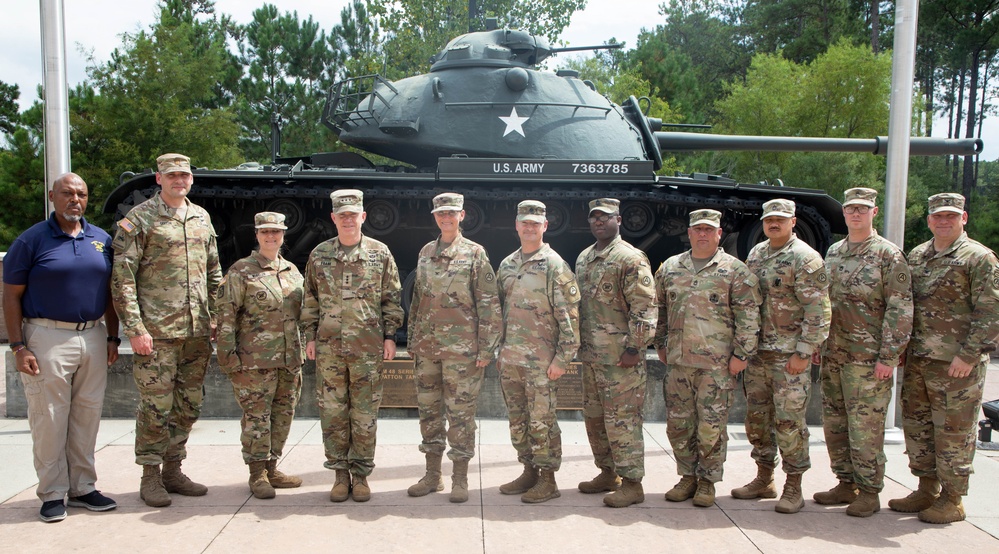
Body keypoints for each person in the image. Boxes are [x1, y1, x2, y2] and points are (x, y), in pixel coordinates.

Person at [3, 173, 120, 522]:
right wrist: (18, 346)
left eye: (81, 194)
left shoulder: (101, 239)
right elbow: (10, 295)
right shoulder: (31, 241)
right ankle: (52, 493)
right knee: (49, 417)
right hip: (47, 336)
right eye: (67, 193)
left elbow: (112, 293)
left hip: (94, 335)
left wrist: (113, 337)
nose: (75, 200)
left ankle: (83, 487)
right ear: (52, 196)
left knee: (87, 414)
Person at [111, 153, 223, 508]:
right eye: (171, 175)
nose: (179, 180)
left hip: (196, 332)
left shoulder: (201, 218)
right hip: (155, 333)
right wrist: (135, 328)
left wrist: (217, 317)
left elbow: (214, 273)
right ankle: (150, 475)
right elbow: (122, 278)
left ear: (191, 180)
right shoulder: (139, 219)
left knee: (188, 405)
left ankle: (173, 470)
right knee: (155, 408)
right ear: (158, 179)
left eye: (184, 175)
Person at [889, 192, 999, 524]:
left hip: (957, 365)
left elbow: (990, 311)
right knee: (919, 428)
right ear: (929, 220)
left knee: (954, 432)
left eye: (951, 216)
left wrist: (969, 354)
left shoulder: (979, 258)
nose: (944, 221)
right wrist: (902, 349)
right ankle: (926, 488)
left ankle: (953, 499)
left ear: (963, 218)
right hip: (920, 359)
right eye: (938, 216)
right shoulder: (918, 255)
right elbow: (906, 306)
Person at [814, 187, 912, 518]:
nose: (856, 214)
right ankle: (845, 482)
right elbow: (823, 303)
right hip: (834, 355)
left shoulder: (888, 255)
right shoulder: (834, 252)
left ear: (874, 212)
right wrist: (818, 344)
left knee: (865, 429)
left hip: (868, 359)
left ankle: (869, 491)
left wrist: (889, 355)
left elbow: (900, 307)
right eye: (851, 209)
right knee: (835, 424)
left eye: (862, 209)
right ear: (844, 214)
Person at [654, 208, 761, 508]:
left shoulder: (735, 271)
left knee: (711, 427)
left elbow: (748, 316)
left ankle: (708, 480)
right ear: (688, 233)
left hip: (716, 366)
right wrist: (659, 342)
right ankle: (687, 475)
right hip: (678, 363)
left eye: (708, 229)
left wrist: (742, 354)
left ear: (718, 234)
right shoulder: (671, 268)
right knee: (679, 425)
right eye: (697, 229)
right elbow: (658, 309)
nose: (702, 234)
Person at [301, 189, 404, 503]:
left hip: (367, 348)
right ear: (333, 218)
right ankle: (339, 474)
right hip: (330, 349)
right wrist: (310, 336)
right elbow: (310, 299)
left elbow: (392, 298)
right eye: (341, 215)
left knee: (364, 415)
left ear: (363, 217)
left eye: (353, 214)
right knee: (333, 414)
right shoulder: (319, 255)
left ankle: (360, 476)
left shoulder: (380, 253)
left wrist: (390, 336)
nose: (348, 220)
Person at [732, 199, 830, 514]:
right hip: (759, 354)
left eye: (780, 219)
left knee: (789, 422)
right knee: (758, 420)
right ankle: (764, 477)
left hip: (789, 356)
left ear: (793, 221)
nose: (774, 224)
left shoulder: (805, 258)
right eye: (769, 219)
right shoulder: (757, 254)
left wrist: (805, 351)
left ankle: (794, 485)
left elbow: (819, 309)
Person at [406, 193, 502, 503]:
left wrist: (486, 349)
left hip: (463, 350)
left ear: (462, 215)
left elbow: (489, 302)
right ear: (435, 216)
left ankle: (460, 477)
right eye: (440, 213)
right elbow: (418, 300)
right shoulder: (425, 252)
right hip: (427, 348)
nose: (445, 217)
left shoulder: (475, 254)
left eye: (452, 212)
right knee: (429, 413)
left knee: (460, 415)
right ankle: (433, 475)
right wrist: (413, 341)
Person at [216, 212, 305, 499]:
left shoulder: (292, 271)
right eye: (265, 232)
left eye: (276, 232)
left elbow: (303, 314)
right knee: (257, 418)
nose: (271, 237)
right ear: (256, 235)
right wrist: (228, 358)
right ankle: (257, 473)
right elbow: (226, 316)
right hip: (253, 362)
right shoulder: (241, 271)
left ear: (283, 236)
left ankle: (272, 466)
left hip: (289, 361)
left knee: (283, 415)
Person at [496, 200, 580, 504]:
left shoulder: (555, 265)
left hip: (542, 362)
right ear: (516, 226)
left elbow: (569, 316)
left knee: (542, 421)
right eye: (524, 223)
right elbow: (498, 312)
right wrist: (499, 352)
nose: (529, 228)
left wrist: (562, 359)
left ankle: (548, 479)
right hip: (511, 360)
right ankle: (529, 470)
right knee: (518, 421)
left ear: (545, 226)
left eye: (535, 223)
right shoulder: (507, 264)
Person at [574, 198, 657, 508]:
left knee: (623, 420)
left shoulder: (630, 258)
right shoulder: (585, 258)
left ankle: (633, 482)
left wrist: (636, 347)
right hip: (593, 357)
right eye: (594, 217)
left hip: (621, 359)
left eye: (605, 218)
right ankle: (608, 473)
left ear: (618, 220)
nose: (599, 222)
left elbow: (645, 307)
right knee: (595, 420)